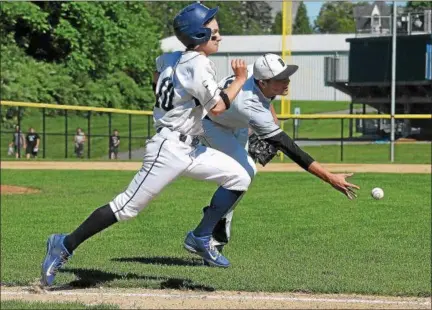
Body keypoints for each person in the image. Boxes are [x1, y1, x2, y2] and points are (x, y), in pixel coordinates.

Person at [41, 2, 251, 287]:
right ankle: (63, 244)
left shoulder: (167, 59)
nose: (219, 37)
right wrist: (239, 80)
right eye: (213, 33)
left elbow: (157, 77)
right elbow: (216, 108)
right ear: (199, 36)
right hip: (170, 149)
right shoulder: (199, 63)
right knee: (126, 207)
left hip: (190, 147)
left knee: (239, 176)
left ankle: (201, 237)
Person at [199, 53, 360, 260]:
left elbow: (264, 99)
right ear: (263, 81)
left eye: (286, 75)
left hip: (236, 123)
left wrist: (271, 123)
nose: (287, 81)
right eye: (280, 79)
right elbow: (292, 149)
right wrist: (330, 178)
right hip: (212, 125)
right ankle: (210, 230)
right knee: (243, 173)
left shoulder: (254, 73)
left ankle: (215, 225)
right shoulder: (250, 105)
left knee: (241, 179)